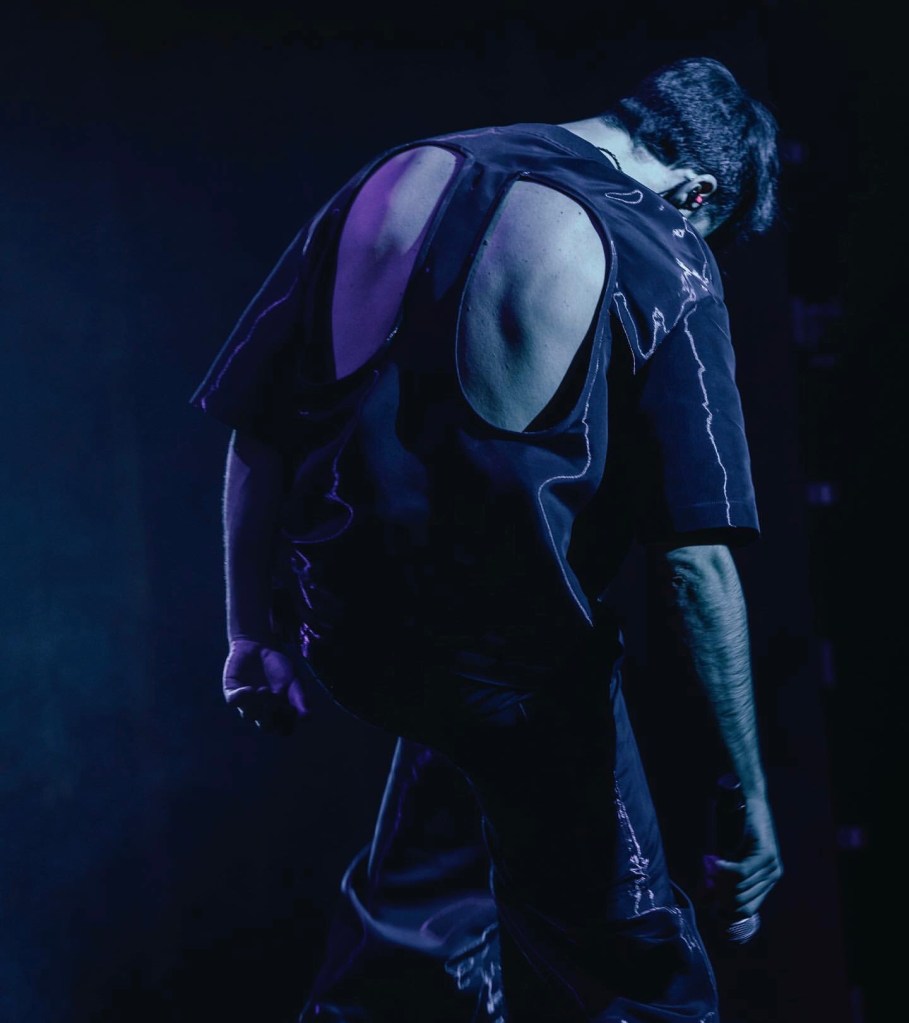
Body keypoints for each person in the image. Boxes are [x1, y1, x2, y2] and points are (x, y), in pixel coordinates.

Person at [190, 55, 784, 1022]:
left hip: (353, 644)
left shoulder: (397, 172)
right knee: (644, 982)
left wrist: (248, 633)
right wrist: (748, 798)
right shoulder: (664, 244)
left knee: (417, 915)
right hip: (509, 673)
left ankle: (390, 968)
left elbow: (256, 428)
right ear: (695, 191)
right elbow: (694, 563)